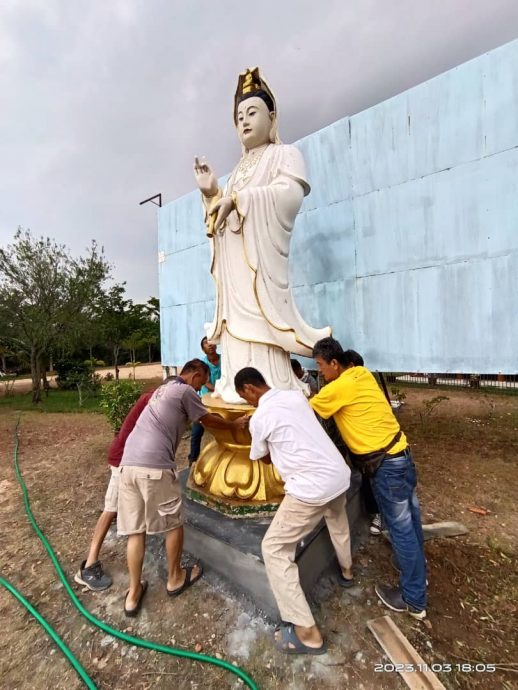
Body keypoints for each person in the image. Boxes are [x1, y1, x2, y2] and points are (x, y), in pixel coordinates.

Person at [193, 67, 330, 403]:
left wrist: (241, 200)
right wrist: (212, 193)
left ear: (271, 117)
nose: (244, 122)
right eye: (239, 116)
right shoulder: (237, 170)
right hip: (236, 274)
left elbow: (289, 195)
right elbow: (220, 224)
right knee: (237, 336)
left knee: (263, 335)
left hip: (261, 271)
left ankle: (272, 383)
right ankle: (234, 384)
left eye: (252, 112)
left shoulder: (284, 154)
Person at [234, 367, 353, 655]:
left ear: (249, 388)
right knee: (337, 519)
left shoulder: (259, 418)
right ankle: (348, 571)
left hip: (310, 488)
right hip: (338, 474)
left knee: (274, 548)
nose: (247, 402)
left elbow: (262, 460)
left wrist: (250, 426)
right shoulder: (295, 396)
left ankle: (307, 632)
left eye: (244, 396)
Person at [309, 337, 427, 619]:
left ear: (335, 363)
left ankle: (413, 599)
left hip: (386, 467)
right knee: (411, 519)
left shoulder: (339, 387)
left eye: (321, 366)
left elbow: (307, 409)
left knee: (401, 530)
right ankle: (415, 571)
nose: (320, 373)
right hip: (401, 455)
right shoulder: (361, 373)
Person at [117, 359, 246, 617]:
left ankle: (133, 593)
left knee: (136, 531)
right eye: (201, 382)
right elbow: (208, 420)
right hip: (155, 469)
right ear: (196, 375)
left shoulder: (162, 389)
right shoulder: (185, 390)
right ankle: (175, 578)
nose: (200, 389)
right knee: (173, 523)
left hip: (127, 466)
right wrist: (234, 425)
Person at [75, 388, 156, 591]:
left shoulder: (155, 396)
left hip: (128, 457)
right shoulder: (155, 399)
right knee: (112, 510)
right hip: (124, 460)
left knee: (113, 510)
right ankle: (89, 566)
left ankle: (91, 562)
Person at [188, 336, 221, 465]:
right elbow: (205, 383)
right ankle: (193, 459)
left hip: (223, 400)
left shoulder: (225, 360)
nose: (210, 345)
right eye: (207, 343)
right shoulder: (201, 364)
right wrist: (220, 391)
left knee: (223, 430)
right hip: (206, 402)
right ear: (203, 349)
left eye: (212, 342)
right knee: (197, 431)